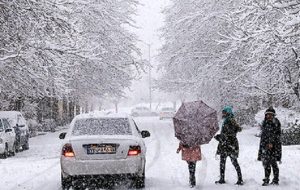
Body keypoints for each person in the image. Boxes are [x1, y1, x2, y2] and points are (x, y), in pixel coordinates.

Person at [214, 106, 243, 185]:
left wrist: (219, 137)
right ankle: (222, 179)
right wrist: (220, 136)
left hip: (229, 145)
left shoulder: (230, 121)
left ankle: (239, 179)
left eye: (224, 112)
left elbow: (229, 134)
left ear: (228, 112)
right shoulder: (228, 120)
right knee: (225, 162)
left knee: (233, 162)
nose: (223, 114)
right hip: (227, 145)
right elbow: (227, 134)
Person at [258, 107, 282, 186]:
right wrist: (263, 145)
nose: (269, 116)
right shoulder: (264, 122)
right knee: (266, 163)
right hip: (265, 145)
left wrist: (271, 142)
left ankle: (275, 179)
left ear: (273, 115)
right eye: (267, 114)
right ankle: (266, 178)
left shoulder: (276, 123)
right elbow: (264, 134)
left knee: (273, 163)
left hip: (274, 147)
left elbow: (276, 135)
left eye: (270, 115)